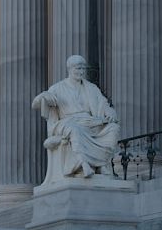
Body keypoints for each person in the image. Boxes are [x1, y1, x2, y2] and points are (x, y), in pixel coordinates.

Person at [32, 55, 120, 183]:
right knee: (75, 129)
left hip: (91, 123)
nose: (81, 71)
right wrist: (43, 96)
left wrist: (110, 111)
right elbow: (35, 104)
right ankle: (83, 164)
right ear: (69, 69)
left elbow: (103, 103)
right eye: (78, 68)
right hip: (68, 122)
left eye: (83, 68)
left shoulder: (91, 88)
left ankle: (101, 163)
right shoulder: (57, 88)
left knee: (113, 128)